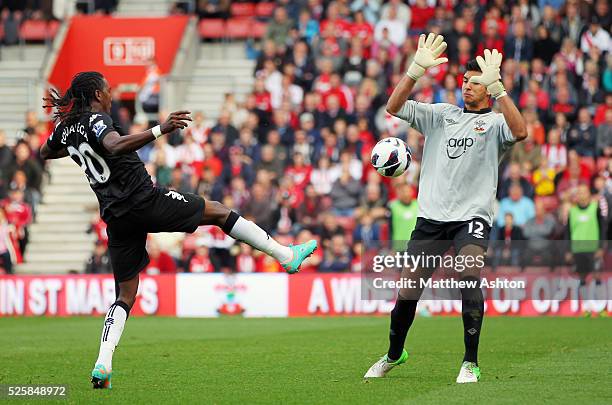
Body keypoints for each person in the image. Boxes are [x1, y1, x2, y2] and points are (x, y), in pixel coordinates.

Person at [40, 71, 317, 389]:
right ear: (98, 95)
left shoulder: (66, 129)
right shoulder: (98, 121)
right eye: (109, 89)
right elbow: (114, 146)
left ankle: (103, 364)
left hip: (116, 218)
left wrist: (77, 148)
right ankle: (285, 255)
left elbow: (45, 152)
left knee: (125, 294)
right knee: (217, 211)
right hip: (143, 200)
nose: (112, 94)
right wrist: (160, 129)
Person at [364, 34, 527, 383]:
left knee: (468, 275)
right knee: (408, 291)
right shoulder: (441, 115)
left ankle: (470, 362)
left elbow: (521, 130)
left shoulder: (496, 122)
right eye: (465, 81)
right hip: (432, 219)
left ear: (489, 88)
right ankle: (395, 353)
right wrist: (414, 70)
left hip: (472, 218)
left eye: (476, 82)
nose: (467, 86)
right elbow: (393, 107)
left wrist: (500, 91)